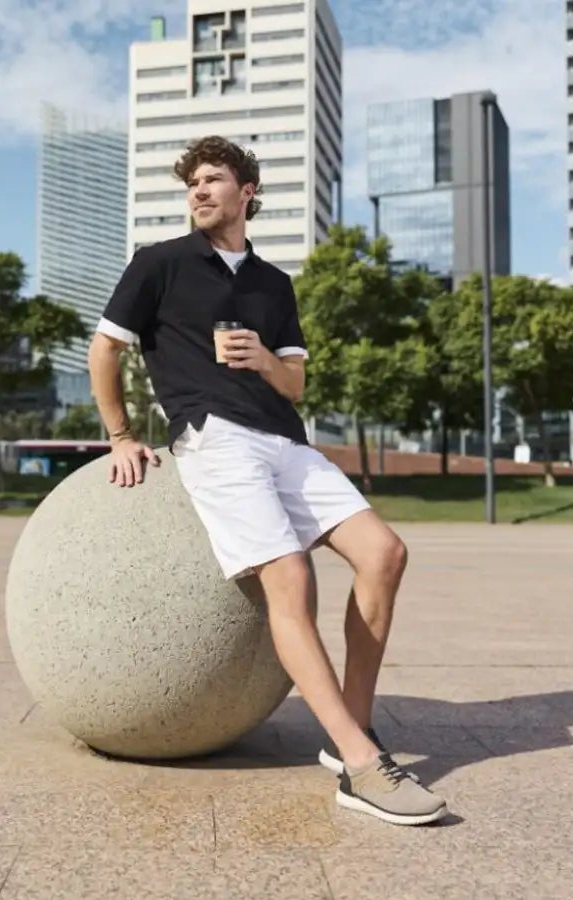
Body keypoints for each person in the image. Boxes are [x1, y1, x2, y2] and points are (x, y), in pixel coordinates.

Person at [88, 135, 448, 826]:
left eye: (213, 179)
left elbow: (296, 383)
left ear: (246, 191)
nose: (199, 191)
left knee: (385, 553)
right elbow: (105, 348)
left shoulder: (273, 284)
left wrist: (262, 359)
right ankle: (363, 769)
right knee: (291, 577)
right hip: (214, 439)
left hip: (284, 439)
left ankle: (352, 733)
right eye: (192, 182)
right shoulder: (159, 263)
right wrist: (121, 436)